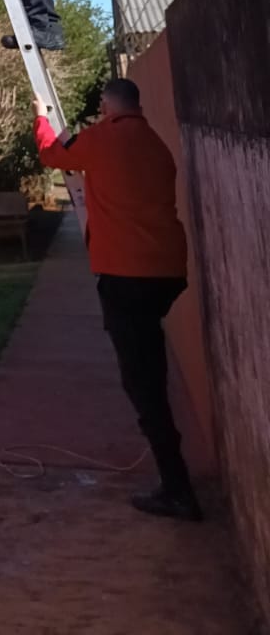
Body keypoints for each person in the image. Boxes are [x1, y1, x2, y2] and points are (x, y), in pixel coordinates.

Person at [33, 78, 201, 521]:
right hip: (166, 272)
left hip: (127, 276)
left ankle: (177, 488)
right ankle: (172, 468)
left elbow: (53, 156)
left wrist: (40, 118)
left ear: (108, 104)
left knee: (142, 381)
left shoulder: (102, 138)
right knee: (148, 356)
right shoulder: (155, 143)